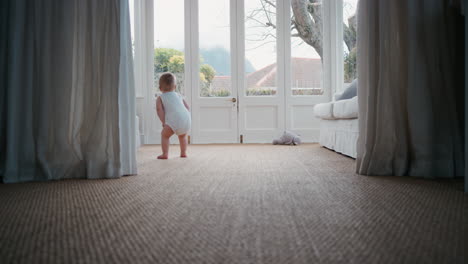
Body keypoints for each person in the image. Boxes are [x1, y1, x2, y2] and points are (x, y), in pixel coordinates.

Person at [156, 72, 191, 159]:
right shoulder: (179, 95)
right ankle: (183, 153)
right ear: (175, 87)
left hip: (173, 120)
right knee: (182, 136)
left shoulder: (161, 97)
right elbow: (187, 107)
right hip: (186, 119)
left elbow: (159, 110)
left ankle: (165, 154)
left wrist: (164, 122)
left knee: (165, 135)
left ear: (160, 88)